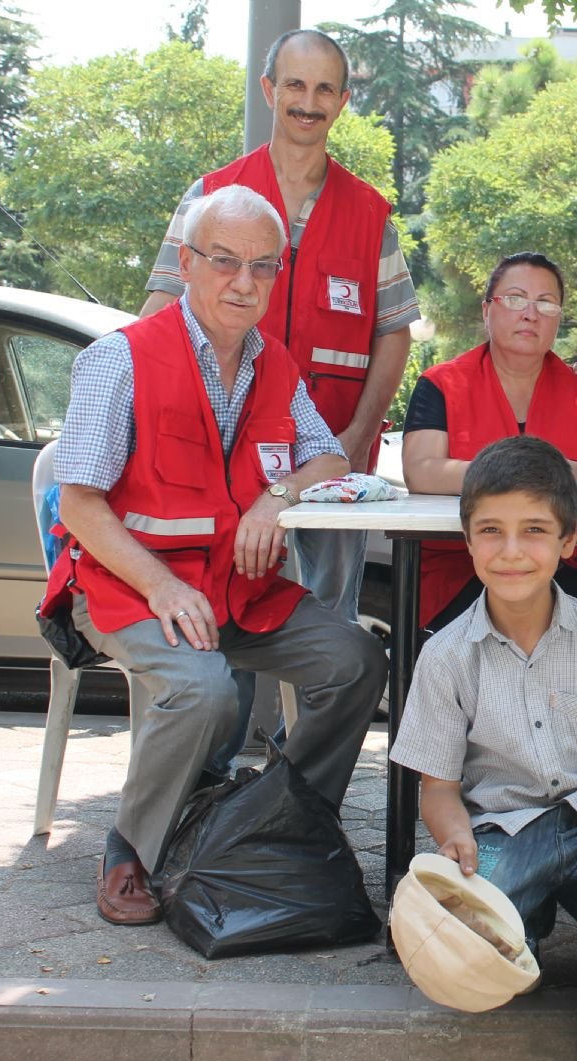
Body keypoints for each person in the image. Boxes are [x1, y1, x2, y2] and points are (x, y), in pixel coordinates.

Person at [42, 185, 386, 926]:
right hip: (132, 586)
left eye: (264, 267)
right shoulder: (120, 359)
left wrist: (277, 495)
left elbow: (328, 460)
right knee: (205, 690)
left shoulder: (275, 365)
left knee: (356, 661)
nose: (244, 282)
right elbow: (79, 505)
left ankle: (280, 819)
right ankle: (131, 846)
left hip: (239, 589)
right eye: (225, 261)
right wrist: (162, 586)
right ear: (188, 263)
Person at [388, 435, 577, 1061]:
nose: (512, 552)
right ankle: (519, 933)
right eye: (491, 531)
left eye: (534, 530)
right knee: (453, 930)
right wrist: (453, 843)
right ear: (467, 540)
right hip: (499, 832)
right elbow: (438, 789)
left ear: (569, 540)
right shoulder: (445, 656)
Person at [141, 28, 417, 625]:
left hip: (332, 455)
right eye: (295, 84)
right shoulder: (210, 195)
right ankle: (235, 724)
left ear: (344, 101)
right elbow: (161, 313)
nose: (308, 102)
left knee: (328, 620)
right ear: (269, 89)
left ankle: (307, 726)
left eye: (324, 89)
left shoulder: (371, 215)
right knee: (222, 606)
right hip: (221, 449)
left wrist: (357, 434)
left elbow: (393, 332)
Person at [402, 251, 577, 685]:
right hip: (469, 565)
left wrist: (571, 471)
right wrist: (521, 475)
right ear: (488, 309)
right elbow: (423, 470)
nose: (531, 313)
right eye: (516, 298)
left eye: (546, 303)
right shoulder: (442, 383)